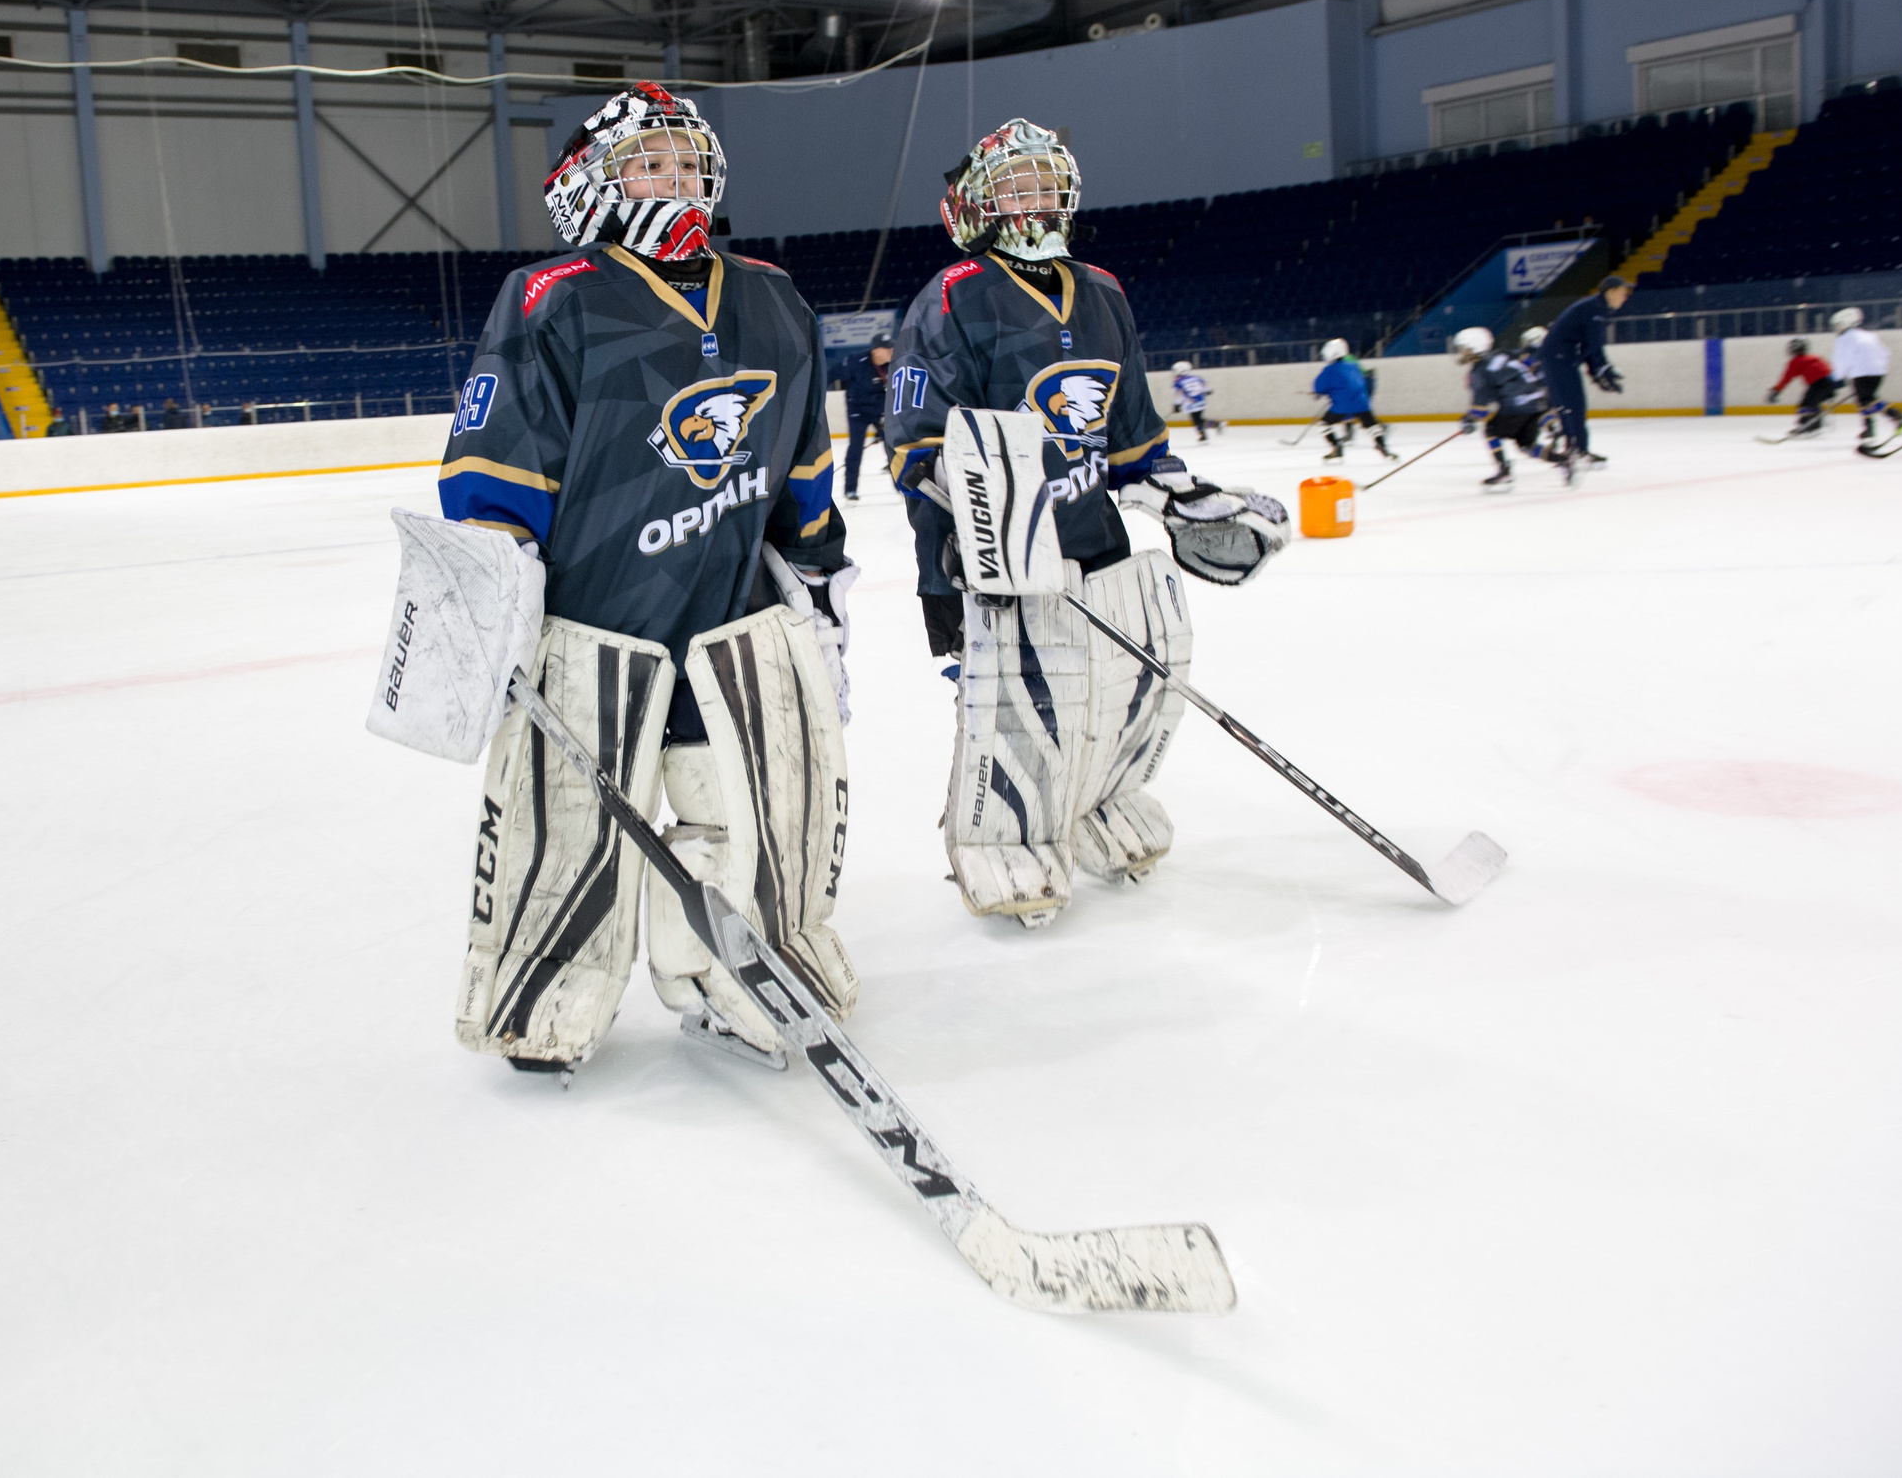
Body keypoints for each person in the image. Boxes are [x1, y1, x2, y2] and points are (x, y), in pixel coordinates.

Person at [433, 81, 857, 1075]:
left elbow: (804, 459)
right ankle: (548, 1000)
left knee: (743, 812)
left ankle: (738, 974)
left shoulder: (770, 292)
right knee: (566, 827)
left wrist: (821, 576)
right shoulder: (552, 296)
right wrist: (494, 602)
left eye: (684, 162)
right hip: (594, 626)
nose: (673, 179)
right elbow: (496, 466)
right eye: (646, 163)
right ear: (589, 185)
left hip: (728, 620)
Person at [882, 117, 1287, 926]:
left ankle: (1096, 805)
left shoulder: (1102, 292)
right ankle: (1004, 840)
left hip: (1094, 539)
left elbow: (1132, 430)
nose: (1033, 201)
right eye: (1013, 187)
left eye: (1043, 183)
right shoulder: (952, 297)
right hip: (987, 548)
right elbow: (915, 440)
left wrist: (1176, 495)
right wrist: (976, 509)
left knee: (1119, 687)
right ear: (974, 208)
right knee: (1014, 699)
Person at [1537, 274, 1631, 464]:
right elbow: (1594, 347)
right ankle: (1575, 450)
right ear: (1610, 292)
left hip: (1564, 359)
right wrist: (1602, 371)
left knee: (1575, 404)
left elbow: (1589, 348)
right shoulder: (1595, 310)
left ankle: (1578, 449)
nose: (1625, 297)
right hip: (1557, 359)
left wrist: (1600, 371)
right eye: (1622, 293)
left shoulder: (1597, 308)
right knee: (1571, 405)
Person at [1452, 326, 1556, 489]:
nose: (1461, 353)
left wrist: (1468, 420)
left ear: (1474, 348)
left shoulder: (1479, 371)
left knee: (1491, 430)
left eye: (1464, 349)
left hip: (1515, 408)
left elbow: (1480, 409)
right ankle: (1564, 460)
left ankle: (1503, 470)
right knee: (1526, 445)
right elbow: (1530, 361)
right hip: (1536, 404)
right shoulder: (1504, 353)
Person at [1828, 307, 1902, 444]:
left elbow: (1840, 359)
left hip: (1861, 372)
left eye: (1838, 325)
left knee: (1866, 400)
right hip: (1879, 372)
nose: (1837, 328)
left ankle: (1895, 415)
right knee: (1866, 399)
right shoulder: (1869, 335)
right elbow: (1885, 352)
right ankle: (1869, 428)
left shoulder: (1844, 338)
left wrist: (1837, 378)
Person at [1313, 337, 1394, 461]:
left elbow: (1320, 387)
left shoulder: (1329, 370)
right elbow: (1358, 382)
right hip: (1362, 403)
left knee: (1324, 425)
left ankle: (1337, 447)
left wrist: (1323, 393)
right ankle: (1383, 447)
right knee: (1372, 425)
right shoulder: (1354, 365)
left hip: (1341, 406)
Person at [834, 338, 891, 497]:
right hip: (857, 413)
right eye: (887, 349)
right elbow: (830, 374)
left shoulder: (891, 365)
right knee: (855, 449)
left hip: (879, 413)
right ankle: (850, 489)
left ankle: (901, 486)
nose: (891, 352)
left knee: (892, 446)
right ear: (876, 350)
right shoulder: (856, 361)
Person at [1767, 338, 1839, 438]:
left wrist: (1776, 391)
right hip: (1830, 383)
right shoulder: (1815, 357)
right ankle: (1814, 424)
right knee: (1812, 403)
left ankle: (1808, 426)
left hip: (1819, 384)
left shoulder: (1796, 361)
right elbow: (1829, 370)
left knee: (1806, 405)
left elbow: (1786, 378)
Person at [1169, 361, 1222, 442]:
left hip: (1191, 403)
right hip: (1201, 401)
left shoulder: (1178, 382)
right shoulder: (1197, 378)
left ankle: (1215, 425)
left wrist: (1177, 405)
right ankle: (1204, 434)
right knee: (1198, 418)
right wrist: (1208, 390)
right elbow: (1207, 389)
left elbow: (1179, 394)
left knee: (1197, 420)